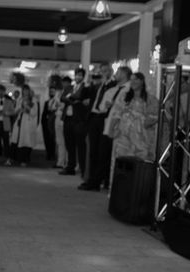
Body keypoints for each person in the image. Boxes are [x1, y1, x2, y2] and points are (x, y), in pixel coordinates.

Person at [108, 72, 159, 186]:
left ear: (142, 81)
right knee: (121, 161)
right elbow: (116, 114)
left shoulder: (150, 99)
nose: (133, 82)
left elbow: (156, 116)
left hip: (141, 138)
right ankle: (118, 188)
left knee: (140, 162)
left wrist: (144, 121)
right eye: (131, 80)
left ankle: (138, 190)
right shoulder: (124, 97)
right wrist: (111, 129)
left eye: (136, 79)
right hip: (124, 137)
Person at [79, 63, 117, 191]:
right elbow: (85, 95)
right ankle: (92, 179)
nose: (104, 73)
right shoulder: (98, 86)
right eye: (102, 71)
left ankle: (98, 180)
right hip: (94, 118)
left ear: (111, 71)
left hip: (104, 118)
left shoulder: (114, 86)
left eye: (106, 71)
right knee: (93, 151)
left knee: (102, 152)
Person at [59, 68, 90, 176]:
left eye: (80, 75)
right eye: (77, 74)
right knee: (69, 144)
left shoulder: (86, 87)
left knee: (80, 145)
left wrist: (72, 97)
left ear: (83, 76)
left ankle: (83, 169)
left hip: (78, 120)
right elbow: (62, 98)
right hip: (67, 118)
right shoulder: (69, 87)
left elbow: (80, 97)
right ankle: (70, 167)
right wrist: (72, 99)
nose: (78, 77)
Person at [7, 85, 39, 166]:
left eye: (26, 90)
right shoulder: (20, 99)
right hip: (19, 121)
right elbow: (16, 110)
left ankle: (24, 160)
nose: (25, 92)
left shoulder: (33, 100)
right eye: (24, 90)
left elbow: (34, 113)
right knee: (15, 140)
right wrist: (18, 110)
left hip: (27, 123)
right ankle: (12, 159)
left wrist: (26, 107)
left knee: (26, 141)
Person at [41, 86, 57, 162]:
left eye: (53, 92)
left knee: (52, 139)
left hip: (53, 123)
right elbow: (44, 114)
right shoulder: (46, 102)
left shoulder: (56, 101)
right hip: (46, 123)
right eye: (50, 92)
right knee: (46, 139)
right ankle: (48, 153)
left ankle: (53, 154)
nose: (51, 93)